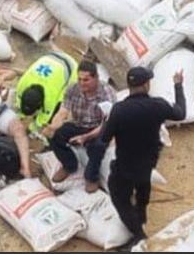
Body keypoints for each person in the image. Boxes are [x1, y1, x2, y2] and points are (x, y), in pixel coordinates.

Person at [102, 66, 185, 248]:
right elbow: (181, 113)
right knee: (142, 183)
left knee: (118, 195)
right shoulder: (158, 105)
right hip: (148, 159)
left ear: (129, 85)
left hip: (125, 163)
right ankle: (141, 214)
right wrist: (178, 86)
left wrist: (106, 122)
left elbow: (104, 138)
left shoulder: (119, 110)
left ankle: (139, 234)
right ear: (147, 84)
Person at [48, 61, 116, 193]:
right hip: (78, 124)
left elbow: (106, 123)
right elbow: (63, 111)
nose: (82, 83)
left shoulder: (106, 93)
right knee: (55, 136)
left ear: (96, 77)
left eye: (86, 80)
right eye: (79, 79)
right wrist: (53, 126)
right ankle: (69, 165)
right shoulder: (73, 89)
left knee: (97, 147)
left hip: (98, 128)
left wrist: (85, 137)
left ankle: (91, 177)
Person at [15, 51, 78, 135]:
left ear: (40, 104)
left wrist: (33, 128)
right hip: (51, 57)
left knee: (60, 102)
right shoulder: (22, 84)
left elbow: (44, 116)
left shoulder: (50, 98)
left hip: (71, 67)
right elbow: (19, 100)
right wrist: (20, 116)